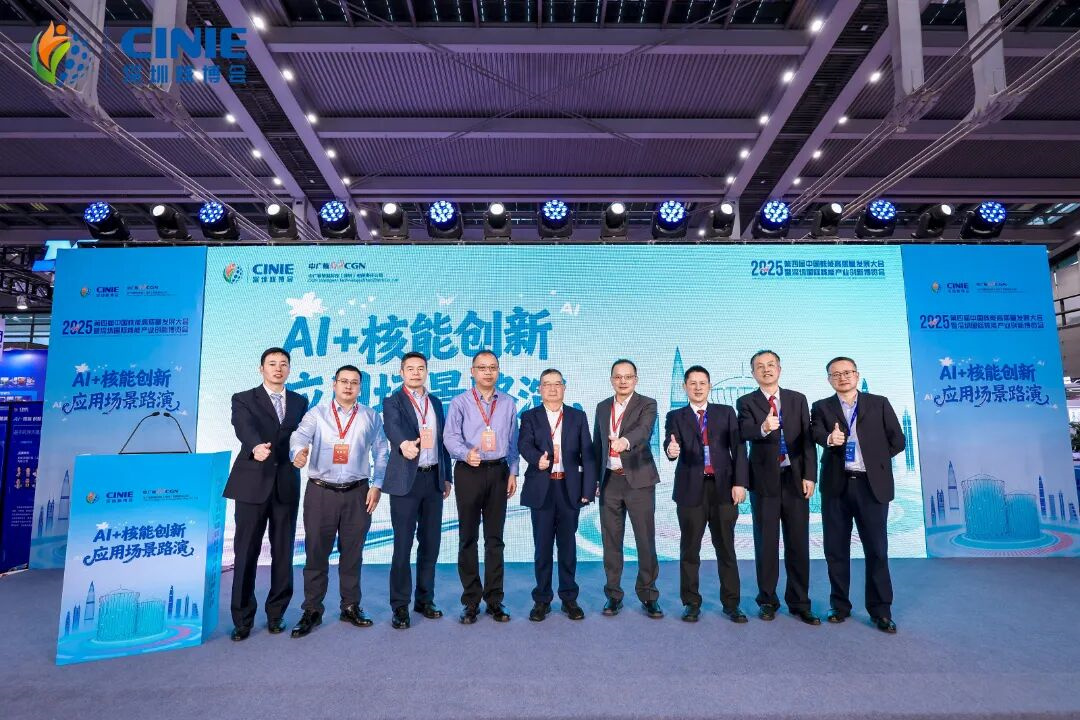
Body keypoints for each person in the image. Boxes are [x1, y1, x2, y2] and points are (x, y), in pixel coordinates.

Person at [288, 365, 388, 638]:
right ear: (334, 384)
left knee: (353, 553)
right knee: (316, 552)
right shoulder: (317, 414)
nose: (348, 386)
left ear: (360, 388)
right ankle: (312, 609)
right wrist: (298, 452)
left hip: (358, 492)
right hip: (321, 492)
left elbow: (381, 451)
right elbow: (299, 436)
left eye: (354, 382)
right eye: (344, 381)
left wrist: (377, 485)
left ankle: (350, 606)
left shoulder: (370, 416)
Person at [810, 356, 905, 634]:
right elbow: (815, 433)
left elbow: (898, 440)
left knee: (876, 550)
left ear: (857, 375)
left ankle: (881, 610)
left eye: (847, 372)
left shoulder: (879, 403)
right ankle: (839, 606)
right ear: (829, 379)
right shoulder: (821, 407)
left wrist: (876, 461)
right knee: (835, 550)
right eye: (836, 374)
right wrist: (830, 439)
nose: (843, 377)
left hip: (871, 486)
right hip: (836, 487)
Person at [223, 347, 309, 641]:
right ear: (261, 369)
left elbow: (300, 436)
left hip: (286, 483)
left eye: (283, 364)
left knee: (283, 551)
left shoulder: (299, 401)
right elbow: (243, 427)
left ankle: (276, 614)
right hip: (252, 482)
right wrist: (255, 446)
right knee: (246, 551)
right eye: (272, 364)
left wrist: (301, 454)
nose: (278, 368)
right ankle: (242, 618)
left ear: (289, 369)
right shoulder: (244, 398)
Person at [736, 350, 820, 625]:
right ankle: (767, 600)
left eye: (771, 364)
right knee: (766, 544)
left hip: (795, 480)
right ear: (753, 373)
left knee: (798, 543)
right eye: (760, 366)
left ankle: (800, 602)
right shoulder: (746, 402)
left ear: (780, 369)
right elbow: (743, 432)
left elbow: (807, 440)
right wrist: (762, 427)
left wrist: (810, 475)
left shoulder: (797, 399)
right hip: (764, 482)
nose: (766, 369)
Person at [664, 365, 749, 623]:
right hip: (690, 490)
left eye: (702, 383)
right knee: (690, 550)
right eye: (693, 383)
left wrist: (740, 483)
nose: (698, 387)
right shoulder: (675, 415)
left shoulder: (725, 412)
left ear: (709, 386)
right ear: (685, 387)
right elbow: (670, 445)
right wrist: (671, 451)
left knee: (726, 548)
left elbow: (739, 449)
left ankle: (732, 604)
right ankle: (691, 603)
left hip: (723, 489)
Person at [443, 350, 519, 624]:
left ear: (498, 371)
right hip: (469, 472)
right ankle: (471, 601)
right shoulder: (460, 402)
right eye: (482, 367)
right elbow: (450, 437)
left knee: (495, 539)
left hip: (499, 472)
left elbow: (513, 441)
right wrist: (465, 454)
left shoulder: (508, 403)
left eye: (493, 367)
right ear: (472, 371)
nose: (488, 372)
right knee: (468, 538)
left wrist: (513, 472)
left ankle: (495, 600)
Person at [518, 368, 597, 622]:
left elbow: (588, 453)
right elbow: (524, 444)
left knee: (568, 547)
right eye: (547, 384)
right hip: (542, 488)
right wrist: (536, 459)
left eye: (557, 384)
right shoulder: (529, 416)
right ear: (540, 389)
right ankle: (542, 600)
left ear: (564, 387)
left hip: (568, 489)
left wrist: (588, 489)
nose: (552, 388)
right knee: (542, 548)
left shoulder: (577, 416)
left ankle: (569, 598)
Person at [381, 352, 453, 629]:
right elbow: (392, 427)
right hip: (405, 482)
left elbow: (442, 440)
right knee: (403, 544)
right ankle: (400, 605)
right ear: (401, 373)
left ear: (426, 372)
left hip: (433, 479)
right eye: (410, 368)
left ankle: (425, 599)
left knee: (431, 543)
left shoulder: (435, 402)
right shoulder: (393, 401)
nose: (415, 373)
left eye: (420, 368)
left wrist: (446, 476)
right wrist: (403, 445)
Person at [594, 359, 662, 618]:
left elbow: (644, 431)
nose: (623, 381)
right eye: (618, 377)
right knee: (611, 541)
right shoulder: (602, 407)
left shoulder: (647, 404)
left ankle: (649, 595)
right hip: (610, 481)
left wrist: (624, 441)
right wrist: (595, 480)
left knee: (645, 541)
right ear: (611, 379)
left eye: (628, 376)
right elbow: (597, 444)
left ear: (636, 379)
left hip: (639, 481)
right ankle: (613, 595)